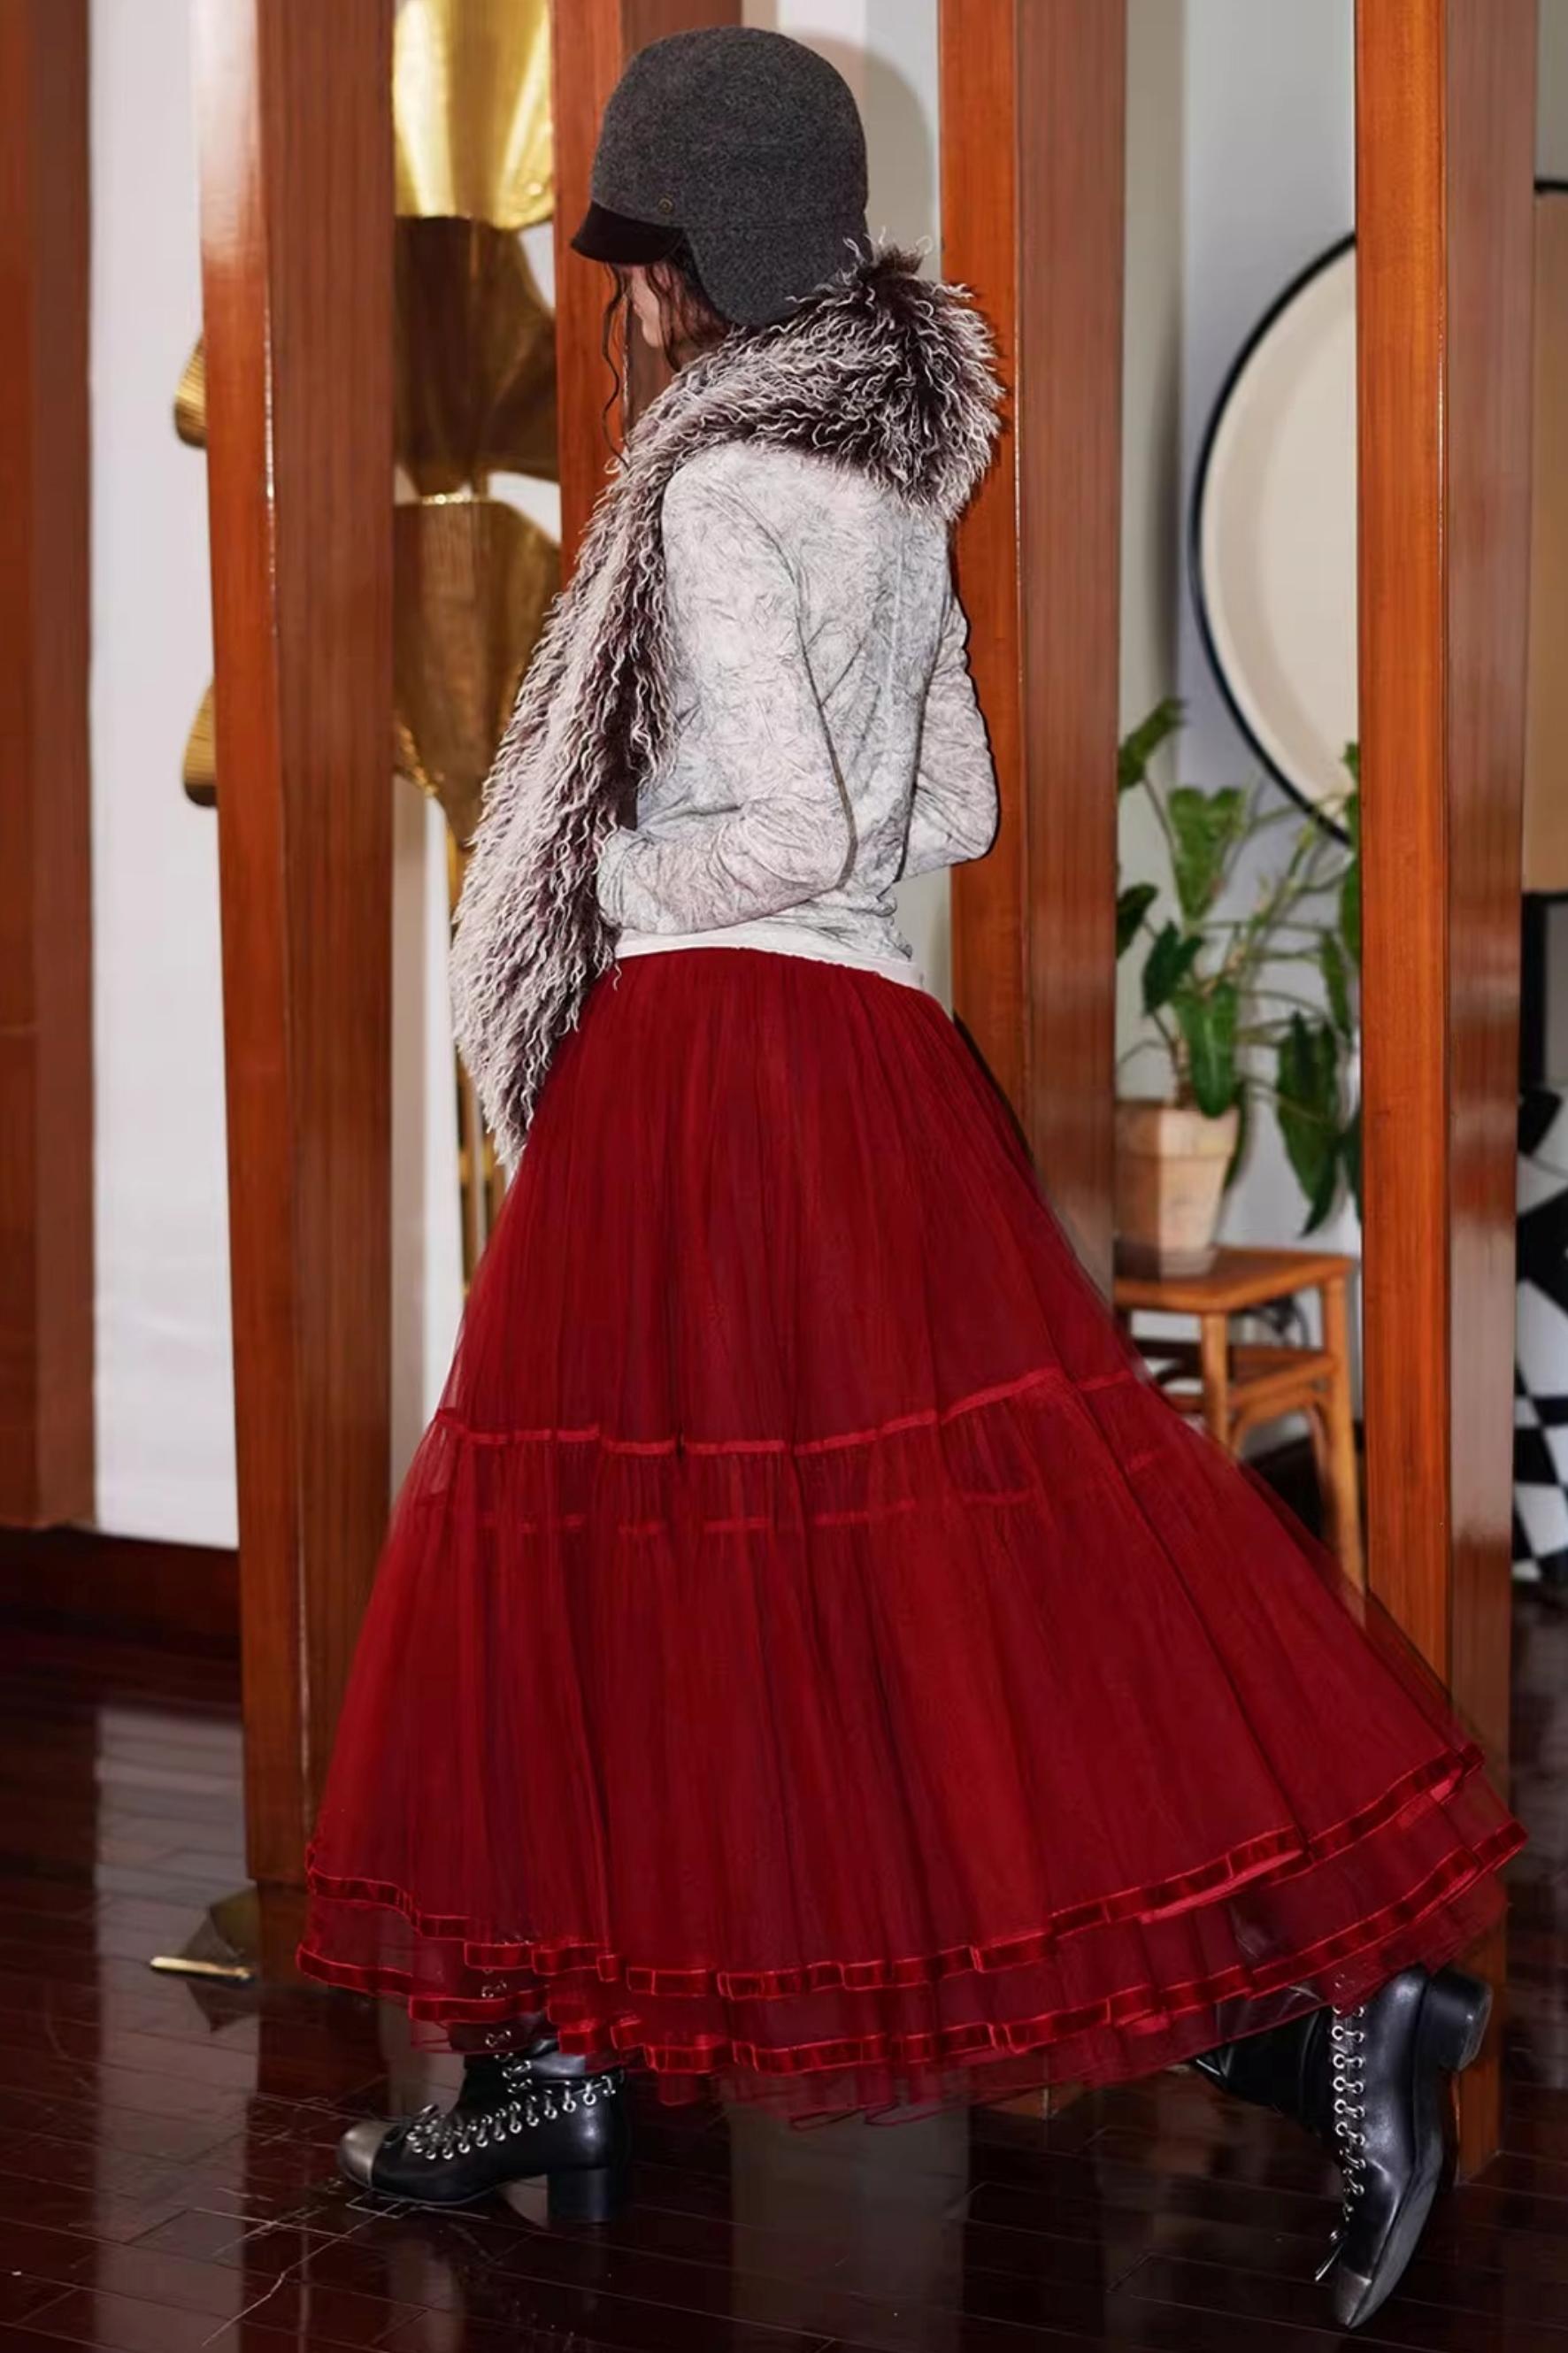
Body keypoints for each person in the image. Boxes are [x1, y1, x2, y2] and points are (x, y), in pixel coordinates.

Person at [299, 27, 1523, 2331]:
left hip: (711, 1064)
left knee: (602, 1546)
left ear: (688, 255)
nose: (626, 300)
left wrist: (613, 877)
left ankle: (1308, 2018)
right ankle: (583, 2064)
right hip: (867, 1065)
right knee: (926, 1573)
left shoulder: (712, 491)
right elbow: (942, 805)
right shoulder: (886, 483)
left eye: (636, 255)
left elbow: (786, 828)